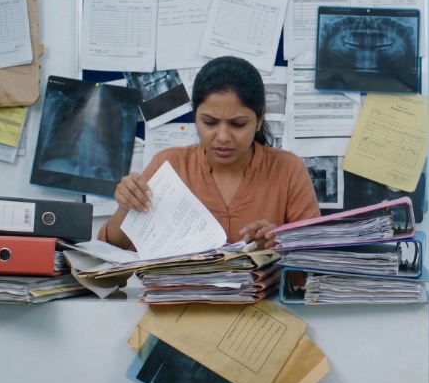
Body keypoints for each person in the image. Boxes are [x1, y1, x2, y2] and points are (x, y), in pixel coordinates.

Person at [99, 56, 320, 250]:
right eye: (210, 122)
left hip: (262, 298)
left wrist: (277, 244)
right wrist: (125, 206)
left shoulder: (288, 170)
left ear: (259, 118)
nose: (223, 136)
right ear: (195, 116)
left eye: (238, 124)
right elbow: (112, 249)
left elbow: (315, 258)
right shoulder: (169, 166)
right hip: (181, 297)